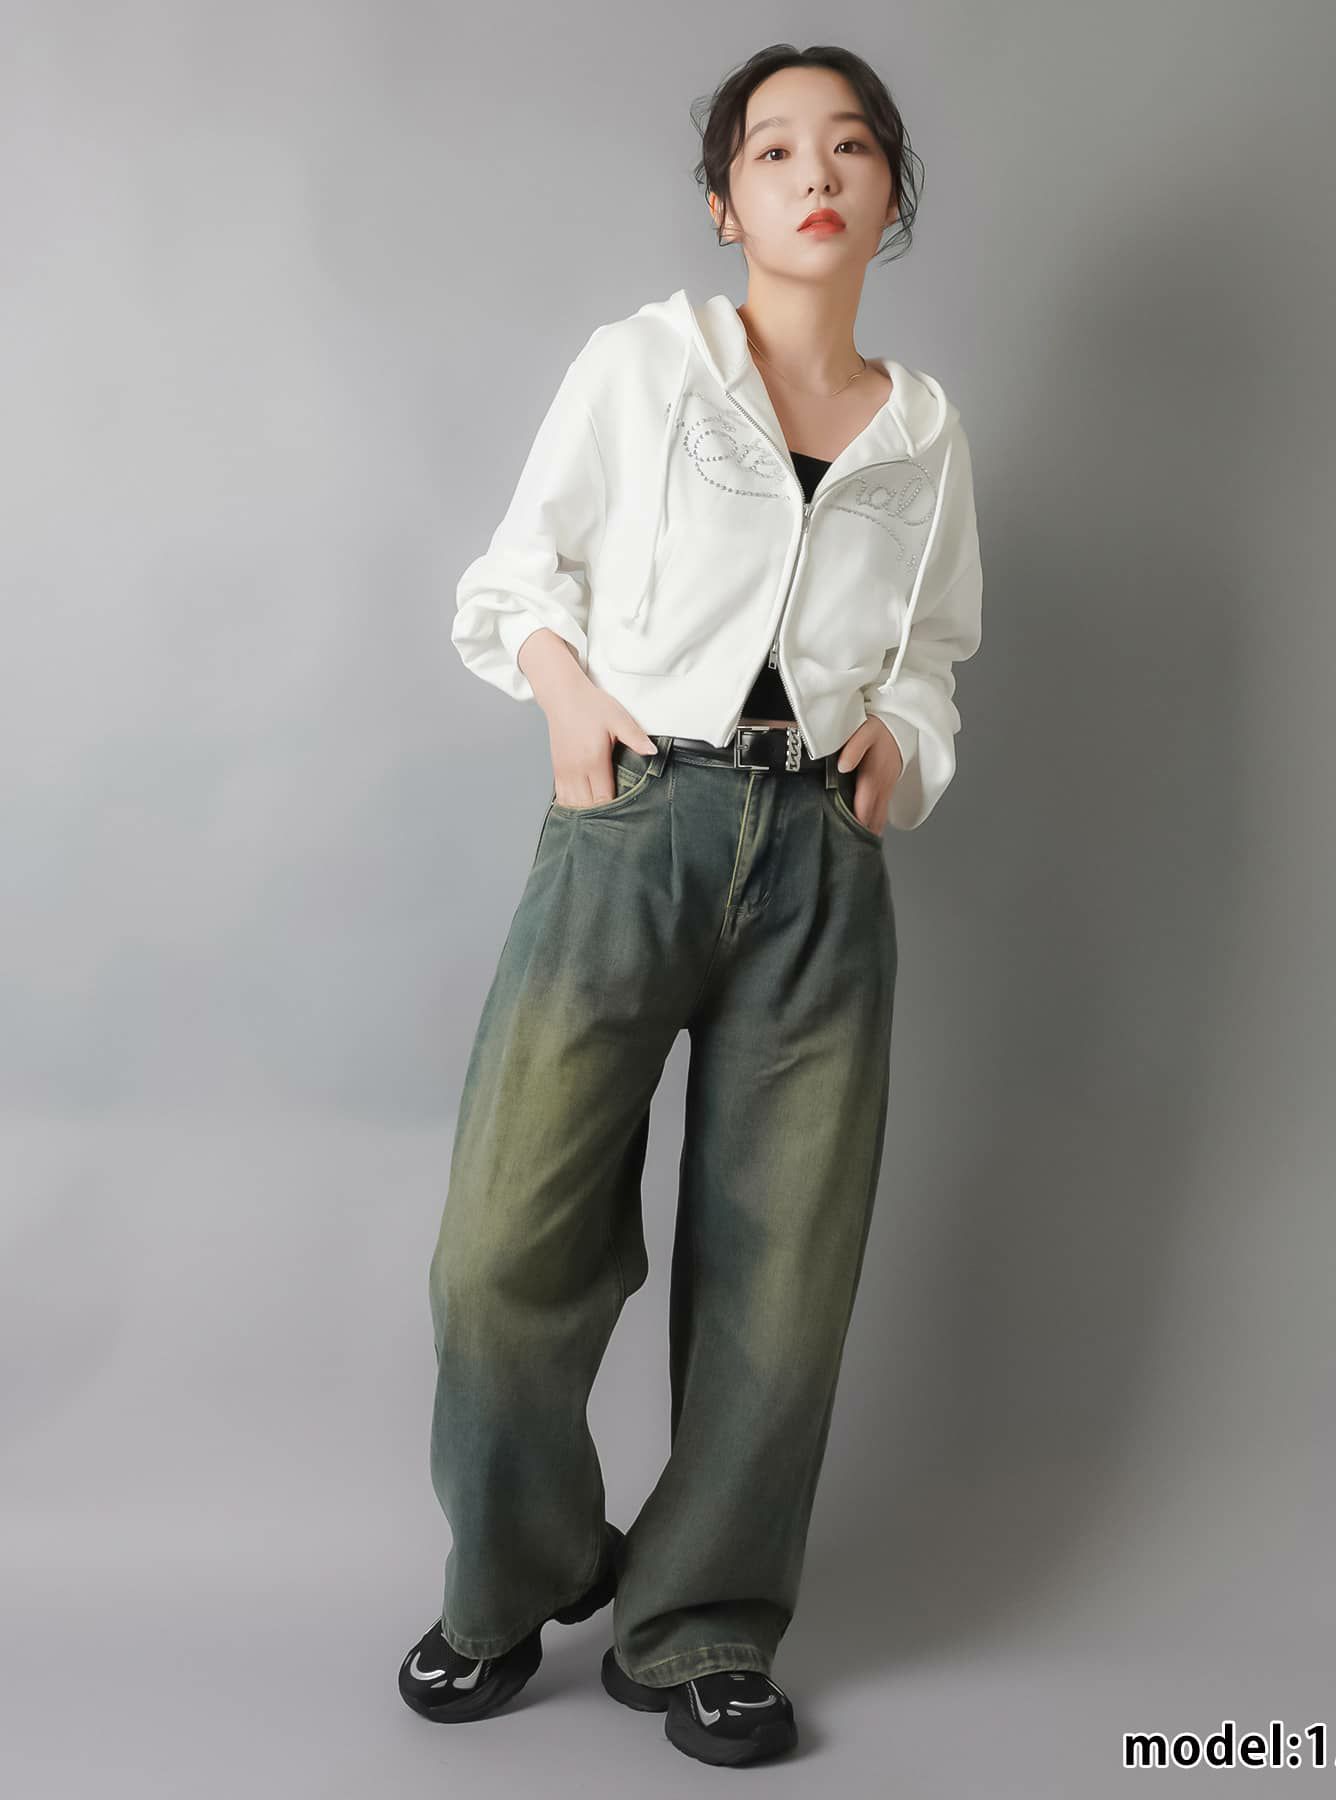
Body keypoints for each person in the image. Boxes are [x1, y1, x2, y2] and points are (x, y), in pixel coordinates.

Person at [398, 41, 983, 1768]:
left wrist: (901, 749)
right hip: (633, 827)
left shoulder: (928, 433)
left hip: (820, 868)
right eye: (775, 150)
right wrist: (570, 706)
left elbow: (933, 653)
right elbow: (515, 577)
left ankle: (703, 1620)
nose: (817, 173)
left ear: (887, 190)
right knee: (501, 1258)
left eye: (851, 146)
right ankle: (519, 1576)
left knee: (780, 1287)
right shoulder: (644, 366)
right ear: (726, 200)